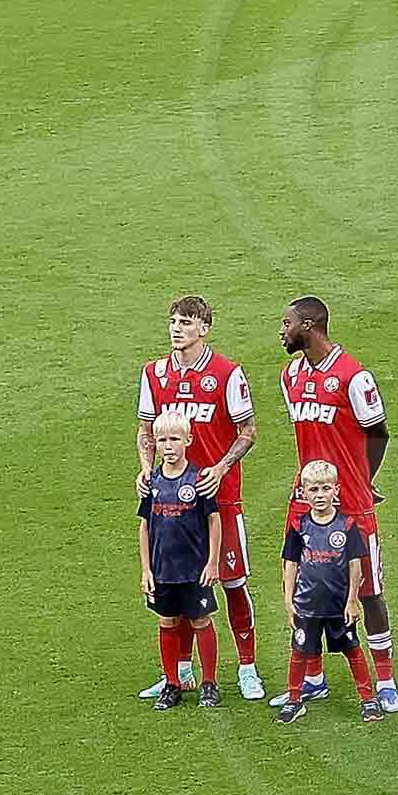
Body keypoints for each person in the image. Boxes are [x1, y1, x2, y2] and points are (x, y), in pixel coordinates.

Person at [277, 297, 398, 714]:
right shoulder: (289, 375)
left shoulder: (354, 377)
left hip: (351, 504)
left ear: (309, 326)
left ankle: (384, 680)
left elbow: (378, 433)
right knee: (304, 587)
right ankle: (312, 678)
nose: (282, 331)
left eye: (287, 323)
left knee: (368, 592)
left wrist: (363, 481)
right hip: (304, 500)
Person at [137, 297, 262, 704]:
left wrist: (222, 467)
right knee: (176, 584)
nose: (177, 329)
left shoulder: (227, 373)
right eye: (173, 322)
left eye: (186, 323)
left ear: (204, 328)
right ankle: (180, 674)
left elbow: (247, 431)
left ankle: (247, 668)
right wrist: (146, 469)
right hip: (171, 501)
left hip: (218, 500)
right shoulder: (154, 374)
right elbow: (145, 430)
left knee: (232, 583)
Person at [136, 410, 222, 707]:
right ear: (156, 444)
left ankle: (209, 682)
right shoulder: (152, 482)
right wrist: (146, 569)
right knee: (167, 622)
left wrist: (212, 562)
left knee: (201, 621)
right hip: (162, 569)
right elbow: (145, 526)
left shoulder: (199, 479)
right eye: (162, 440)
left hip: (195, 569)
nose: (169, 446)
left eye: (174, 439)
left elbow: (214, 521)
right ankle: (172, 683)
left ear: (188, 440)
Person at [277, 461, 371, 723]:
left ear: (336, 490)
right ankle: (294, 699)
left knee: (352, 648)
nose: (319, 495)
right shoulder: (299, 527)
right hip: (306, 604)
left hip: (338, 605)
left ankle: (367, 699)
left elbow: (355, 565)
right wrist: (288, 600)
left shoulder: (347, 525)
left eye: (325, 489)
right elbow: (291, 564)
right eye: (314, 490)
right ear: (304, 493)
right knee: (299, 650)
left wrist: (352, 601)